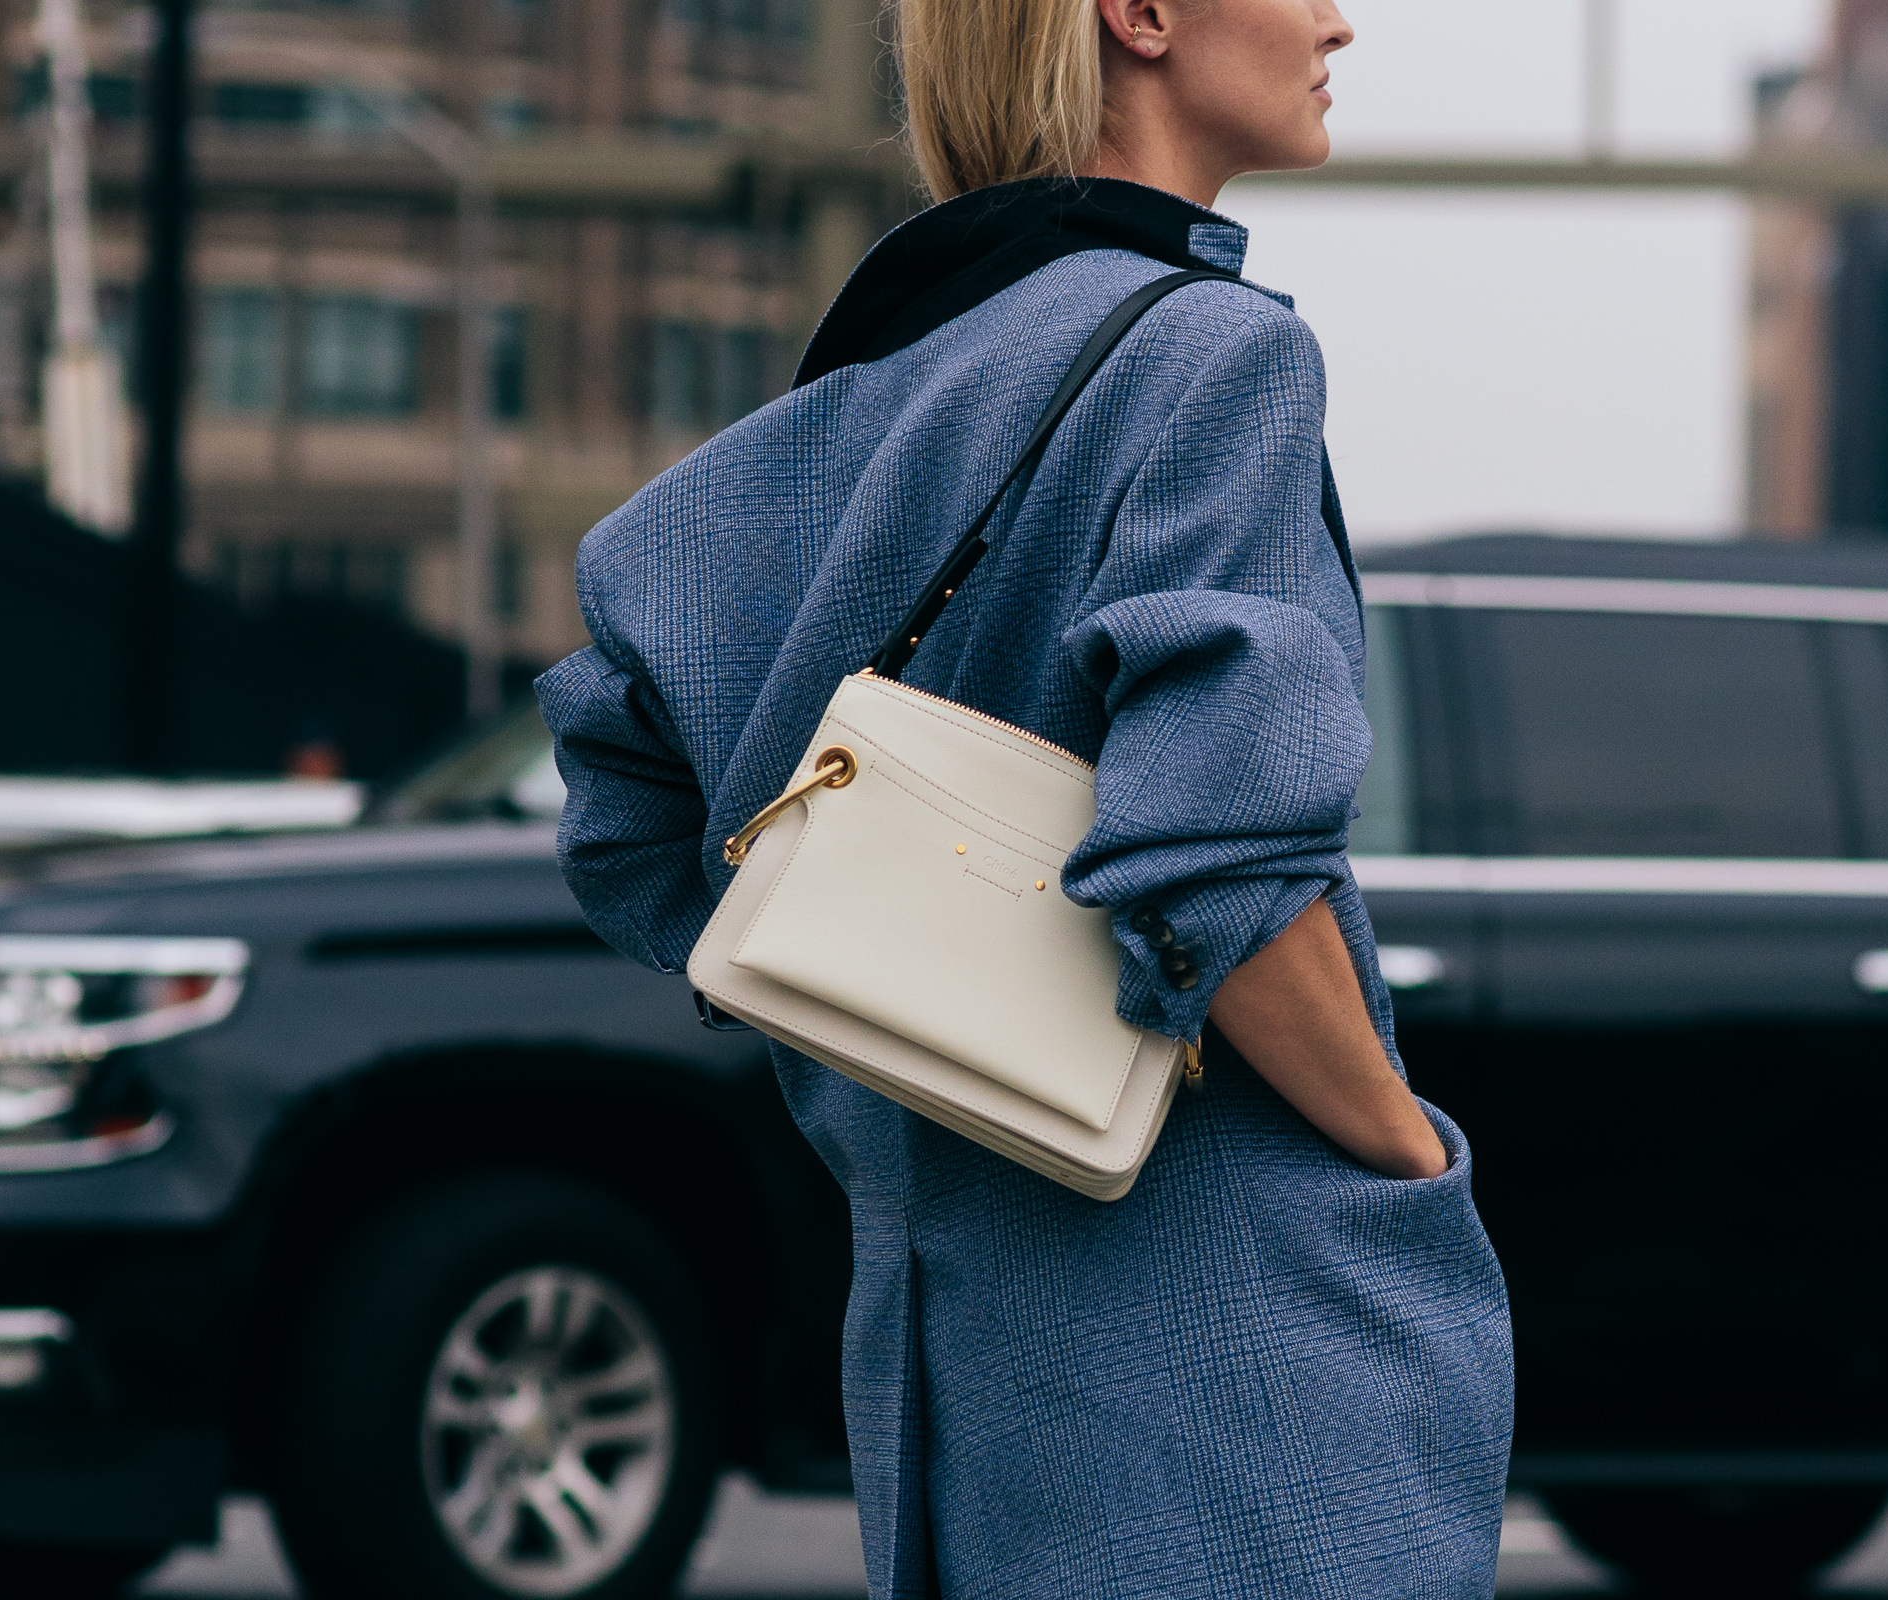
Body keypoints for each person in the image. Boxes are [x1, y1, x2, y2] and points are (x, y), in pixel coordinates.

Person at [538, 0, 1515, 1592]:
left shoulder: (876, 387)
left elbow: (625, 804)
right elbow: (1222, 875)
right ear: (1139, 16)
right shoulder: (1217, 353)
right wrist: (1404, 1160)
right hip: (1226, 1349)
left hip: (951, 1362)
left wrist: (884, 1003)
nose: (1343, 17)